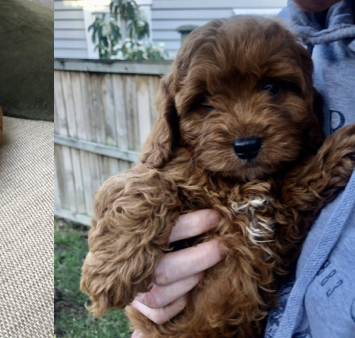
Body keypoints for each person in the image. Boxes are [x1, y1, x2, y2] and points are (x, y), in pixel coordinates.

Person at [130, 0, 355, 337]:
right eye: (206, 104)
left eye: (270, 88)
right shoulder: (282, 29)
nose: (244, 131)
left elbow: (284, 215)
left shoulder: (282, 46)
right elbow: (140, 183)